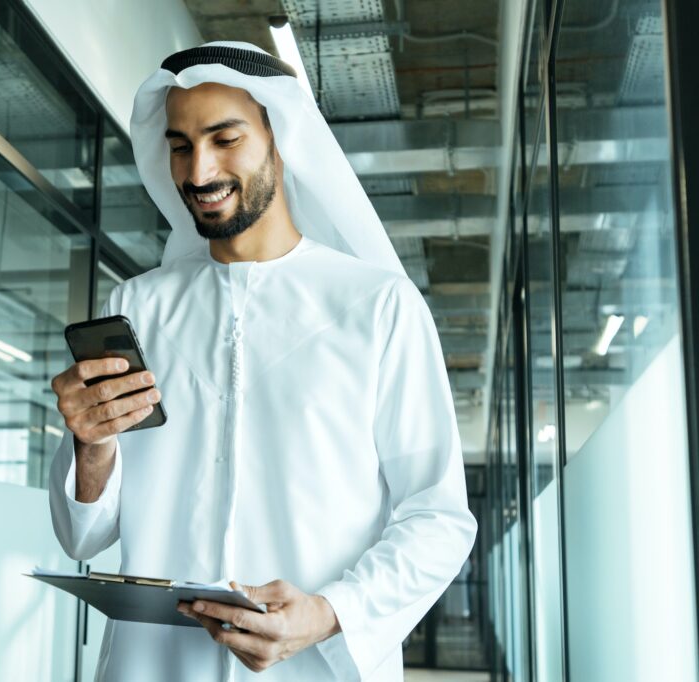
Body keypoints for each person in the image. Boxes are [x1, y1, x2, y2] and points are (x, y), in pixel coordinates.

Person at [48, 42, 477, 681]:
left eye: (225, 139)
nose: (198, 172)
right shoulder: (137, 306)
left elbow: (437, 517)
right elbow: (85, 537)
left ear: (281, 138)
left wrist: (331, 611)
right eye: (181, 146)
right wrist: (92, 448)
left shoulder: (378, 305)